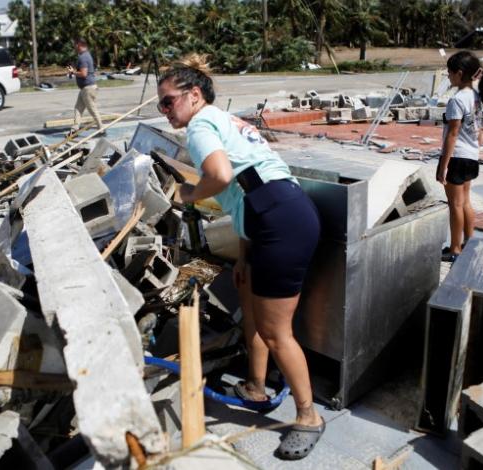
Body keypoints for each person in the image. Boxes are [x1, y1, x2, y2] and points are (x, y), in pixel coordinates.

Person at [158, 54, 324, 460]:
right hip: (278, 214)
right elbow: (246, 195)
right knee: (251, 307)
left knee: (275, 331)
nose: (164, 112)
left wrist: (186, 195)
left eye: (167, 102)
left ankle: (309, 417)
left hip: (279, 223)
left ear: (193, 95)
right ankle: (255, 385)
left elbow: (220, 176)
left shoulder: (200, 125)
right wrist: (245, 256)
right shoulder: (221, 118)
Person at [437, 50, 483, 262]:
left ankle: (455, 249)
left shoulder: (457, 100)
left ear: (459, 74)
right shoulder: (476, 97)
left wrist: (443, 165)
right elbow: (479, 133)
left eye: (449, 73)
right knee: (466, 202)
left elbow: (452, 134)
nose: (448, 77)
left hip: (458, 158)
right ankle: (470, 241)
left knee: (455, 205)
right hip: (472, 157)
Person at [67, 38, 102, 132]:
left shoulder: (83, 57)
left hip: (88, 88)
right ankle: (74, 129)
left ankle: (101, 129)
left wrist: (73, 72)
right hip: (84, 88)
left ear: (79, 45)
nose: (74, 47)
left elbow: (83, 74)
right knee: (78, 108)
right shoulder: (85, 56)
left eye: (75, 45)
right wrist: (73, 71)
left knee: (92, 109)